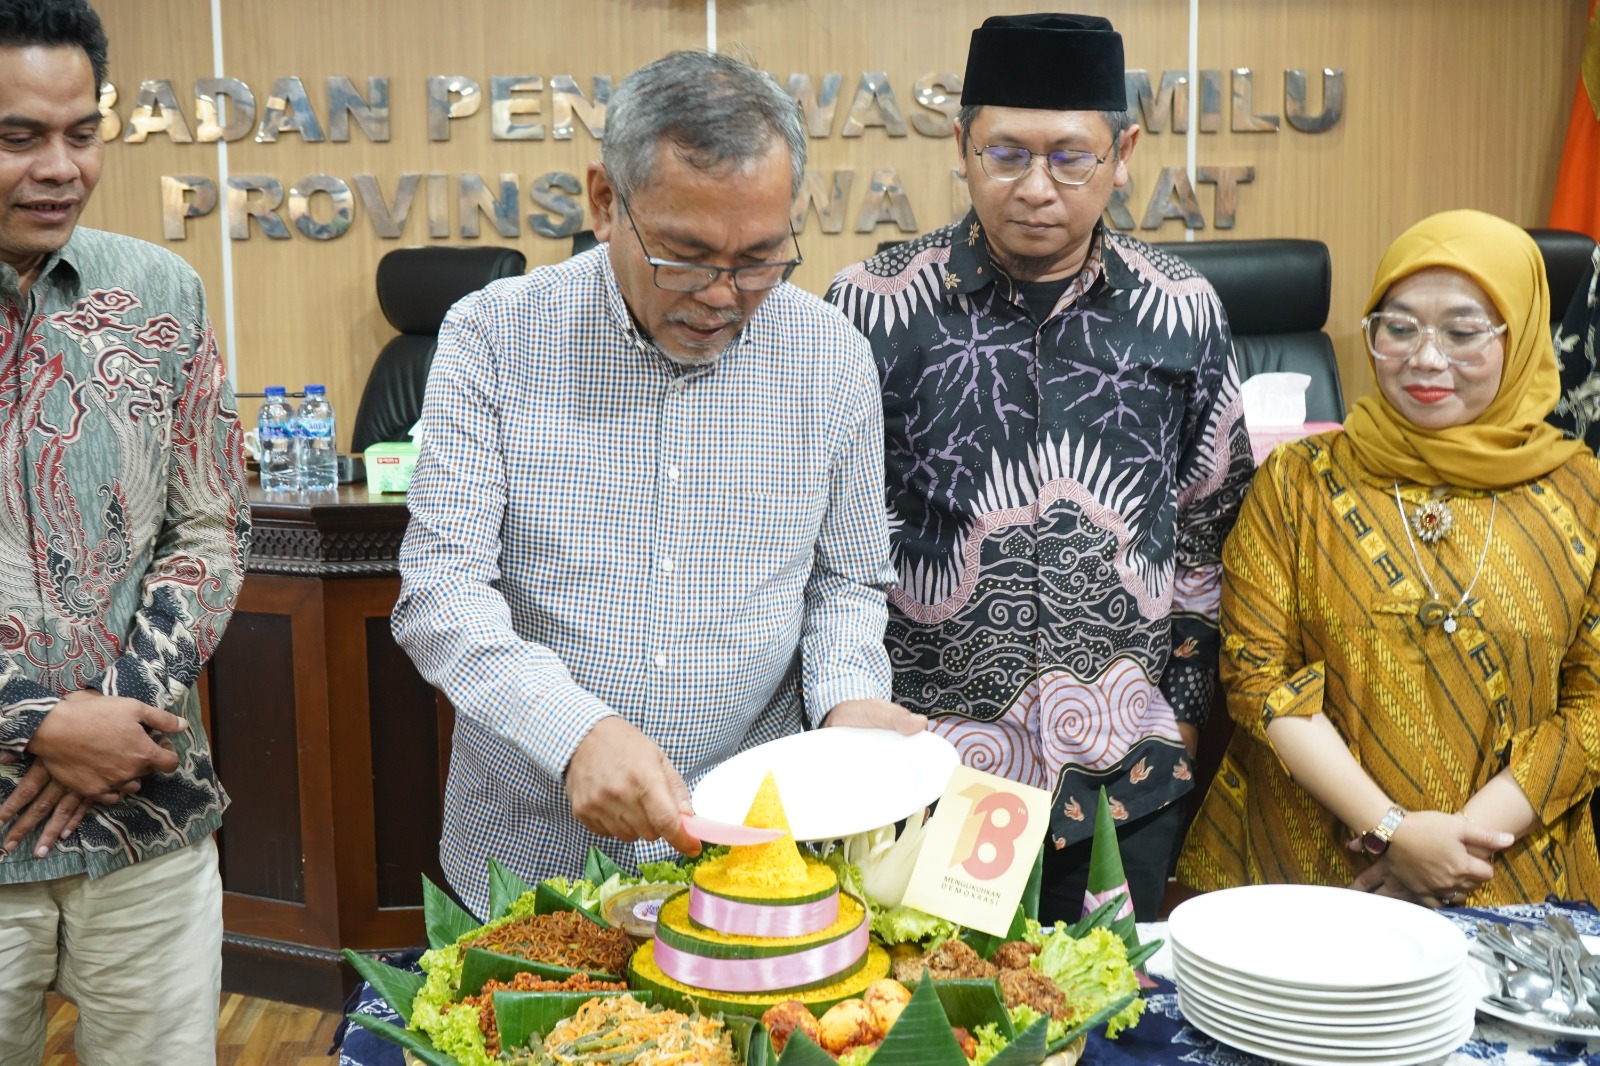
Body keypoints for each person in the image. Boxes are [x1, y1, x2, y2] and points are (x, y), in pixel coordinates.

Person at [392, 50, 921, 918]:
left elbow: (846, 580)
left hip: (754, 846)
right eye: (685, 255)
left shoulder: (831, 356)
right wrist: (575, 734)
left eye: (759, 258)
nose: (723, 295)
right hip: (534, 852)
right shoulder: (494, 337)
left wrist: (848, 701)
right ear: (606, 202)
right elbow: (442, 594)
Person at [825, 13, 1253, 922]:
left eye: (1071, 157)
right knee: (934, 1034)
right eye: (1006, 154)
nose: (1036, 187)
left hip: (1125, 777)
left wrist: (1176, 721)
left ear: (1124, 150)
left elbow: (1209, 533)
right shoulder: (869, 308)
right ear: (961, 143)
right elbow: (830, 547)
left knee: (1103, 1026)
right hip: (924, 777)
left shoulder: (1182, 311)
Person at [1177, 210, 1600, 908]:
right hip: (1314, 870)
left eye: (1464, 333)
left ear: (1520, 337)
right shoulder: (1297, 480)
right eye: (1398, 328)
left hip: (1509, 874)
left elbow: (1591, 706)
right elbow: (1258, 678)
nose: (1426, 359)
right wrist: (1394, 833)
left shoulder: (1581, 490)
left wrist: (1455, 846)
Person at [0, 0, 251, 1061]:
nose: (60, 167)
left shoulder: (162, 293)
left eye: (81, 131)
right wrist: (31, 721)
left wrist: (117, 715)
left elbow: (212, 524)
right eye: (18, 138)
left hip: (145, 824)